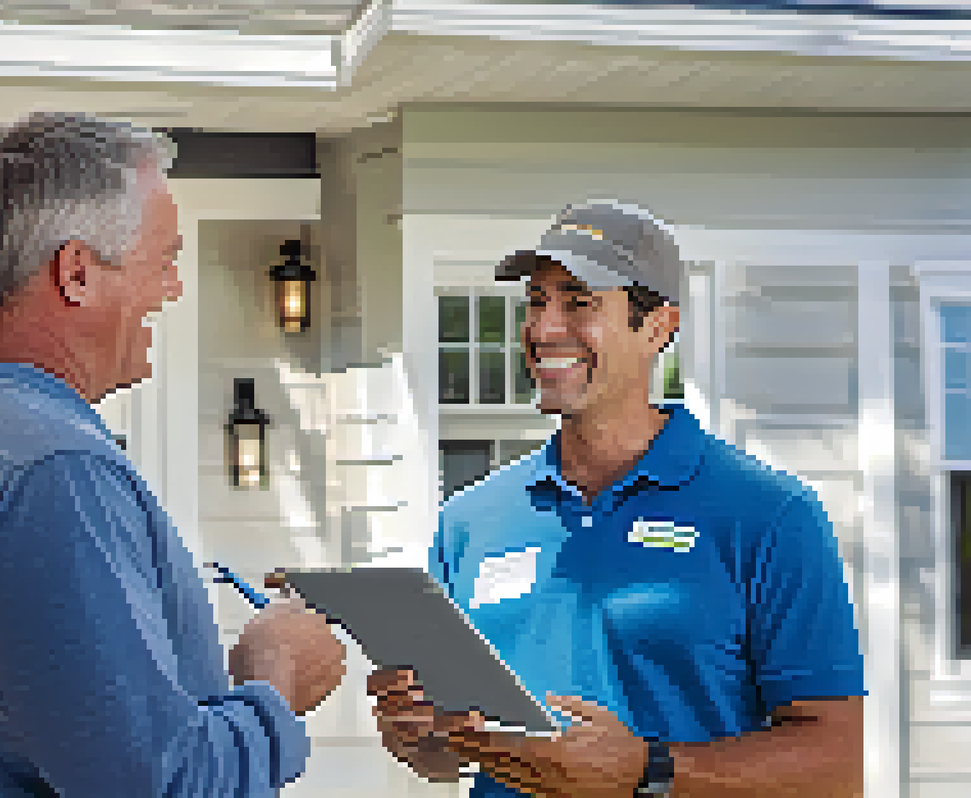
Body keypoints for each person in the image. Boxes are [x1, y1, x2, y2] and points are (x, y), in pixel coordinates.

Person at [0, 111, 347, 798]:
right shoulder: (55, 472)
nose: (174, 288)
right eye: (164, 261)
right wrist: (275, 682)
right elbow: (157, 786)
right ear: (77, 273)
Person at [368, 201, 867, 798]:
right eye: (536, 302)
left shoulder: (770, 516)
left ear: (658, 327)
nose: (543, 329)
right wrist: (418, 735)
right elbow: (447, 759)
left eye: (579, 303)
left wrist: (648, 771)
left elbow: (836, 768)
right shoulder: (469, 522)